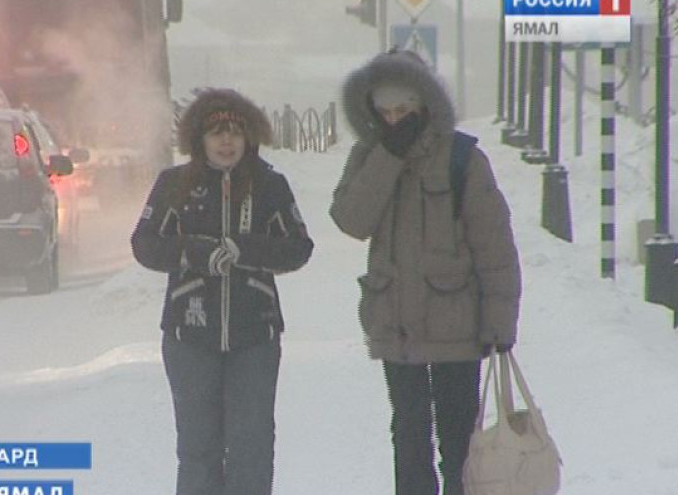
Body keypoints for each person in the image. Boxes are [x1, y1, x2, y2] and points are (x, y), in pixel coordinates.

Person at [329, 49, 522, 495]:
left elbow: (495, 247)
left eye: (405, 110)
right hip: (395, 322)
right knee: (409, 434)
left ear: (425, 104)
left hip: (456, 322)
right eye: (387, 112)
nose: (396, 120)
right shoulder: (369, 155)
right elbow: (351, 220)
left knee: (458, 438)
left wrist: (500, 322)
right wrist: (387, 158)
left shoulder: (463, 159)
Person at [131, 88, 313, 495]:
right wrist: (194, 252)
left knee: (252, 447)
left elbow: (299, 248)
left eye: (235, 132)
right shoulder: (173, 184)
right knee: (198, 448)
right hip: (189, 334)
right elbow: (144, 245)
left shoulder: (270, 186)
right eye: (217, 133)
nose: (227, 142)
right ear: (199, 139)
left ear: (249, 137)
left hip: (256, 336)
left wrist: (244, 250)